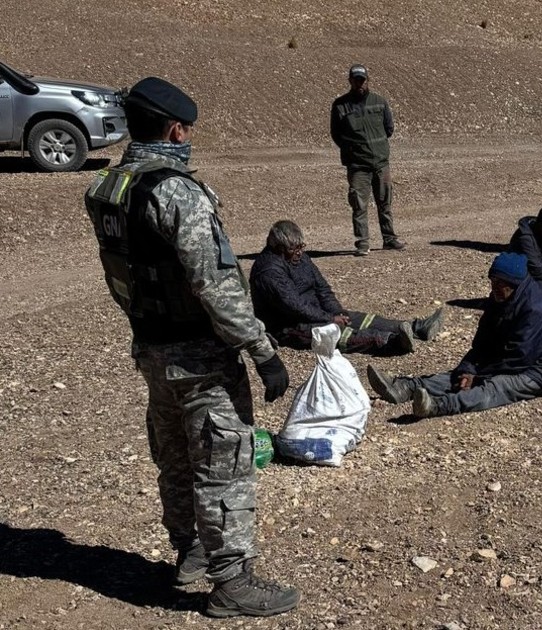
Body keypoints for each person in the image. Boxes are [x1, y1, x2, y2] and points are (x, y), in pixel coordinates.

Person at [83, 77, 299, 618]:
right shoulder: (177, 193)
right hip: (200, 355)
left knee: (176, 457)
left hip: (151, 348)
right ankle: (231, 582)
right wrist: (262, 351)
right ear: (176, 130)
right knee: (224, 461)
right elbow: (216, 285)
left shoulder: (107, 188)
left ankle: (191, 551)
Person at [366, 253, 542, 418]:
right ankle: (405, 387)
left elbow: (518, 359)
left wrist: (478, 376)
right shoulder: (500, 299)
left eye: (500, 284)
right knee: (460, 375)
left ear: (514, 284)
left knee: (497, 386)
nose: (494, 288)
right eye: (493, 281)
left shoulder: (537, 311)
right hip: (510, 356)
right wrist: (467, 369)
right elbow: (482, 343)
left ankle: (437, 406)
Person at [249, 220, 443, 354]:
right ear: (278, 248)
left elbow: (321, 287)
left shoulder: (300, 258)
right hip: (289, 326)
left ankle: (414, 328)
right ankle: (391, 342)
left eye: (301, 247)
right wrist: (330, 319)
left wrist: (337, 312)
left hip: (316, 312)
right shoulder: (269, 271)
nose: (299, 253)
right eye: (294, 249)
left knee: (359, 319)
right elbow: (294, 306)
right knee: (338, 334)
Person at [330, 64, 403, 256]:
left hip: (380, 163)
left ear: (368, 81)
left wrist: (377, 148)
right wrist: (353, 150)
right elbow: (336, 134)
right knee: (359, 205)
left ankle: (389, 238)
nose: (359, 84)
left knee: (385, 202)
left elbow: (389, 129)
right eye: (356, 80)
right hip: (357, 166)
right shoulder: (340, 105)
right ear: (350, 81)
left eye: (362, 80)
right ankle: (362, 243)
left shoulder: (379, 102)